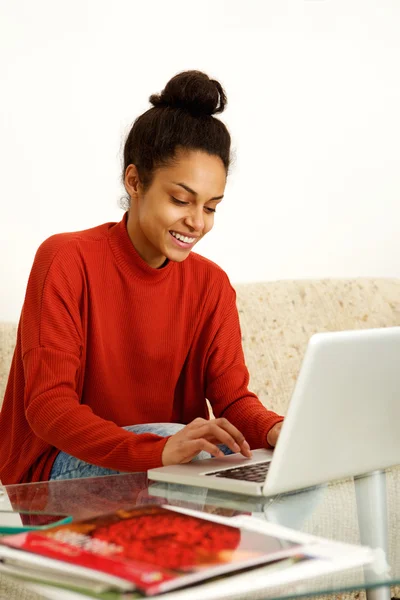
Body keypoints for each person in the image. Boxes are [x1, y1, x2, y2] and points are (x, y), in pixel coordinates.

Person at [0, 70, 283, 485]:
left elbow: (233, 398)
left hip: (168, 466)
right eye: (181, 200)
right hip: (49, 475)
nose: (197, 222)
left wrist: (278, 431)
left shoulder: (212, 285)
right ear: (134, 181)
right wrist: (159, 450)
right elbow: (49, 407)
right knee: (188, 449)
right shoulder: (65, 259)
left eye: (211, 207)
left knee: (286, 470)